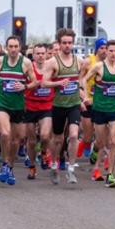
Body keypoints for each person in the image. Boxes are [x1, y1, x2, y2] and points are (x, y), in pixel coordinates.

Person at [81, 40, 115, 188]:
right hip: (100, 108)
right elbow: (84, 79)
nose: (114, 54)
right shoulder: (98, 66)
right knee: (100, 141)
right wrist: (86, 97)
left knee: (114, 140)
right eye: (111, 51)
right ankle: (96, 159)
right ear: (106, 52)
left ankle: (110, 174)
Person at [0, 36, 37, 185]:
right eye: (10, 46)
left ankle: (10, 166)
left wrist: (25, 87)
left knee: (17, 139)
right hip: (2, 102)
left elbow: (35, 82)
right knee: (5, 133)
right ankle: (4, 163)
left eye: (15, 46)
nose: (13, 49)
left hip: (18, 105)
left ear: (20, 47)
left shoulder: (26, 62)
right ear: (6, 47)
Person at [42, 28, 84, 185]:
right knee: (58, 138)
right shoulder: (52, 62)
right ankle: (54, 164)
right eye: (64, 43)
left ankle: (71, 169)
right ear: (59, 44)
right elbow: (43, 82)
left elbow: (82, 79)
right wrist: (58, 83)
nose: (67, 45)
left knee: (73, 135)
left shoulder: (79, 61)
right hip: (58, 104)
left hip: (74, 104)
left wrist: (82, 91)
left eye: (70, 43)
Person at [23, 44, 54, 180]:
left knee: (45, 135)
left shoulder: (52, 68)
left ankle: (43, 153)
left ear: (47, 54)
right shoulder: (29, 69)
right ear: (33, 55)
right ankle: (32, 167)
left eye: (43, 53)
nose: (41, 56)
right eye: (38, 53)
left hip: (46, 105)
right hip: (30, 106)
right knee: (31, 141)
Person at [78, 38, 107, 161]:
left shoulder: (109, 63)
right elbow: (79, 79)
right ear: (96, 49)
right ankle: (84, 144)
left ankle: (95, 152)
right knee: (88, 137)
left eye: (106, 48)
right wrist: (84, 96)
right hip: (89, 101)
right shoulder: (88, 62)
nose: (104, 50)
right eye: (101, 48)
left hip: (102, 102)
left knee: (101, 136)